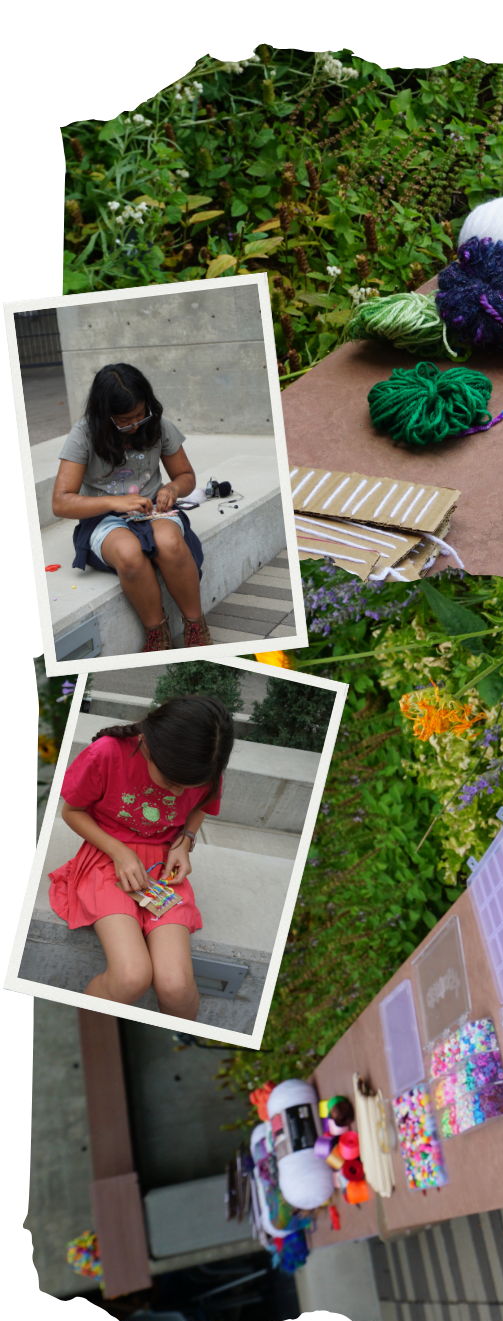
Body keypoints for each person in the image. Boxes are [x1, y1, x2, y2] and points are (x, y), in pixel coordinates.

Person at [48, 696, 235, 1019]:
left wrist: (185, 841)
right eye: (171, 783)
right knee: (131, 976)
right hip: (107, 855)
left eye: (187, 786)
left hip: (162, 867)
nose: (177, 794)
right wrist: (119, 851)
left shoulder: (205, 761)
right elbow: (72, 811)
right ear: (148, 746)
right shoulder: (107, 753)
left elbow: (200, 807)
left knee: (176, 986)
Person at [53, 364, 214, 651]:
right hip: (103, 517)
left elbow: (185, 476)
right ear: (104, 415)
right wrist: (115, 502)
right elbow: (61, 501)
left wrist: (172, 489)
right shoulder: (84, 434)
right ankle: (157, 634)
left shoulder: (159, 426)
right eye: (125, 420)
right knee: (129, 553)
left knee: (169, 543)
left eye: (141, 414)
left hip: (154, 510)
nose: (136, 425)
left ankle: (195, 626)